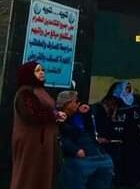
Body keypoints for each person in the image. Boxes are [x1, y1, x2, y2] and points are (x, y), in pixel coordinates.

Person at [10, 61, 66, 189]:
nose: (41, 73)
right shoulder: (24, 93)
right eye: (37, 70)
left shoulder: (40, 90)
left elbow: (47, 109)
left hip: (43, 144)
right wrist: (54, 116)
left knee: (42, 177)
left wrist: (57, 114)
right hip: (31, 143)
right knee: (28, 176)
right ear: (28, 74)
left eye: (42, 70)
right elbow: (31, 114)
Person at [56, 90, 114, 189]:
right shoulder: (58, 118)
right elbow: (60, 137)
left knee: (105, 170)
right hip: (78, 156)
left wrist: (86, 113)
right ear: (67, 103)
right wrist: (74, 150)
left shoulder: (80, 115)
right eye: (76, 101)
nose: (79, 103)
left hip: (96, 154)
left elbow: (90, 132)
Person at [109, 81, 140, 189]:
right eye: (126, 88)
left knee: (138, 157)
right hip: (122, 134)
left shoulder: (135, 98)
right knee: (124, 158)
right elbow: (112, 116)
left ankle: (139, 181)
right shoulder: (115, 100)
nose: (128, 90)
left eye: (129, 88)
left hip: (135, 133)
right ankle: (124, 181)